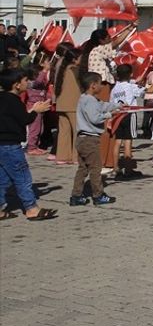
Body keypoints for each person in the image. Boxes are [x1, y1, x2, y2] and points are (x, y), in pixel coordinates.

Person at [0, 68, 56, 220]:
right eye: (25, 81)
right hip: (11, 146)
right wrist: (36, 110)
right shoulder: (14, 101)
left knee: (3, 178)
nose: (28, 83)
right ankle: (31, 208)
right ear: (16, 85)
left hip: (2, 145)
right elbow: (25, 119)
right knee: (22, 177)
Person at [69, 73, 118, 206]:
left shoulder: (85, 98)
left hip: (82, 139)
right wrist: (109, 115)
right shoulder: (90, 101)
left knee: (83, 168)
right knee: (96, 168)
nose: (102, 86)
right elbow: (95, 118)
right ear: (93, 85)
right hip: (89, 139)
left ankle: (76, 195)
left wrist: (116, 106)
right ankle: (98, 195)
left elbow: (102, 105)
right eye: (100, 83)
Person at [52, 46, 82, 165]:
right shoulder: (75, 70)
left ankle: (62, 156)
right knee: (77, 131)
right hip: (73, 104)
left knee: (64, 131)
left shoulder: (62, 69)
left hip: (61, 103)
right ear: (74, 59)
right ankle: (76, 157)